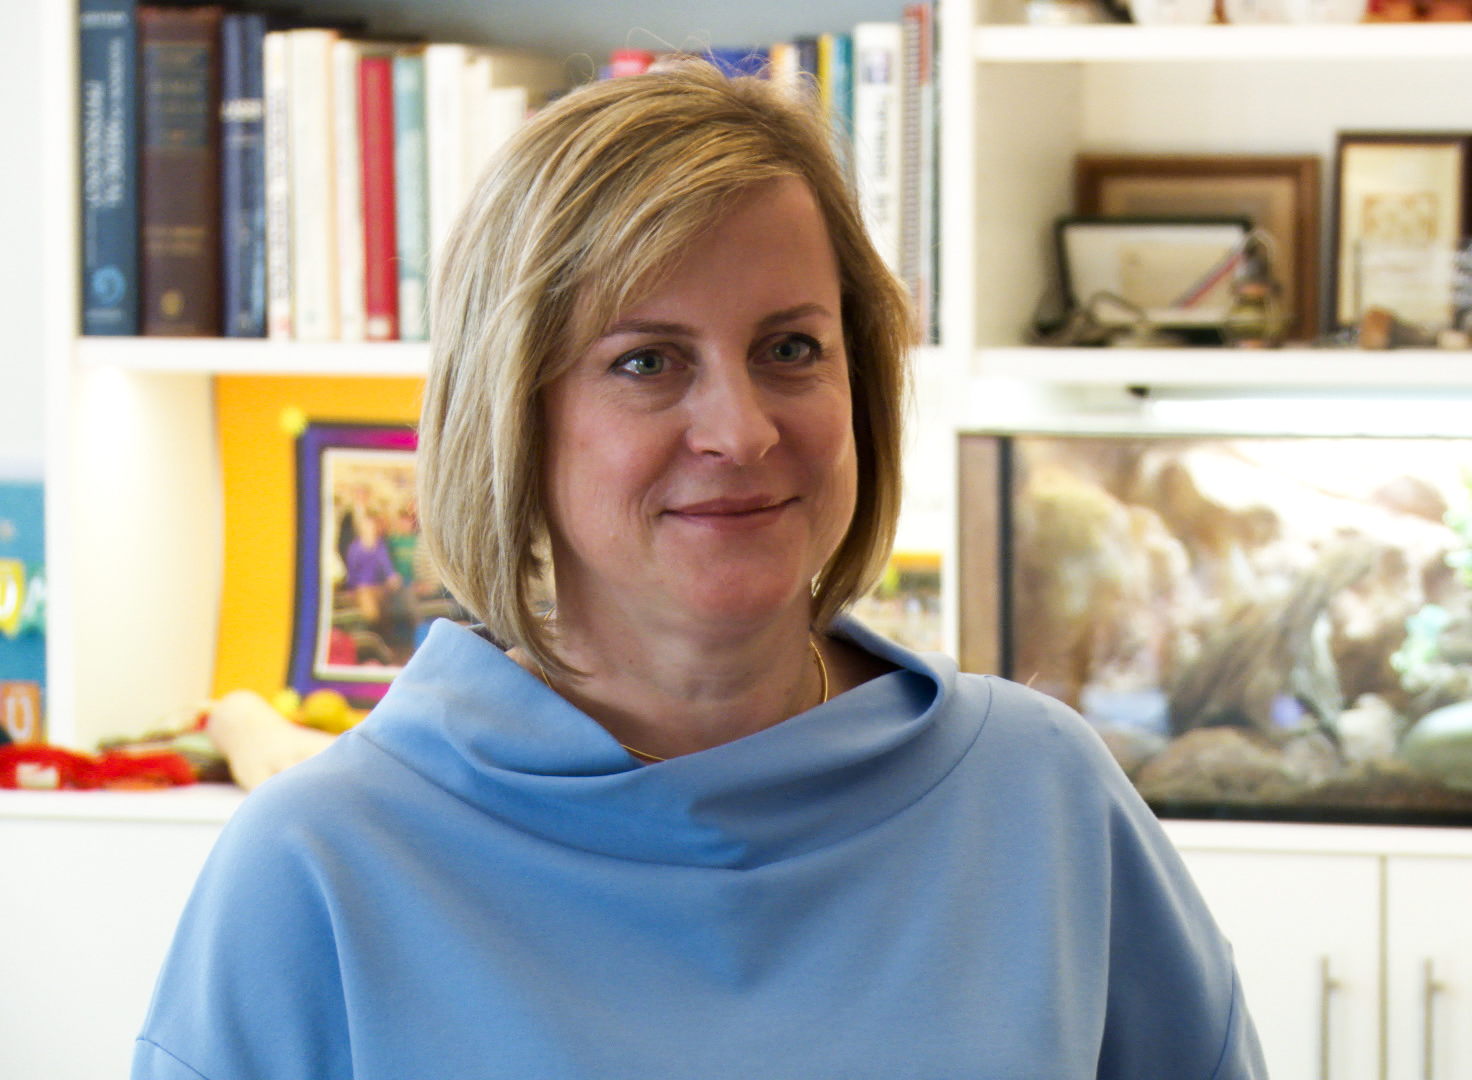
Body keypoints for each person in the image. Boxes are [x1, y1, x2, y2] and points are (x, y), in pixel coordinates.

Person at [132, 61, 1265, 1080]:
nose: (742, 430)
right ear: (514, 411)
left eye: (790, 349)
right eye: (647, 362)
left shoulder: (1042, 798)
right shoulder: (320, 868)